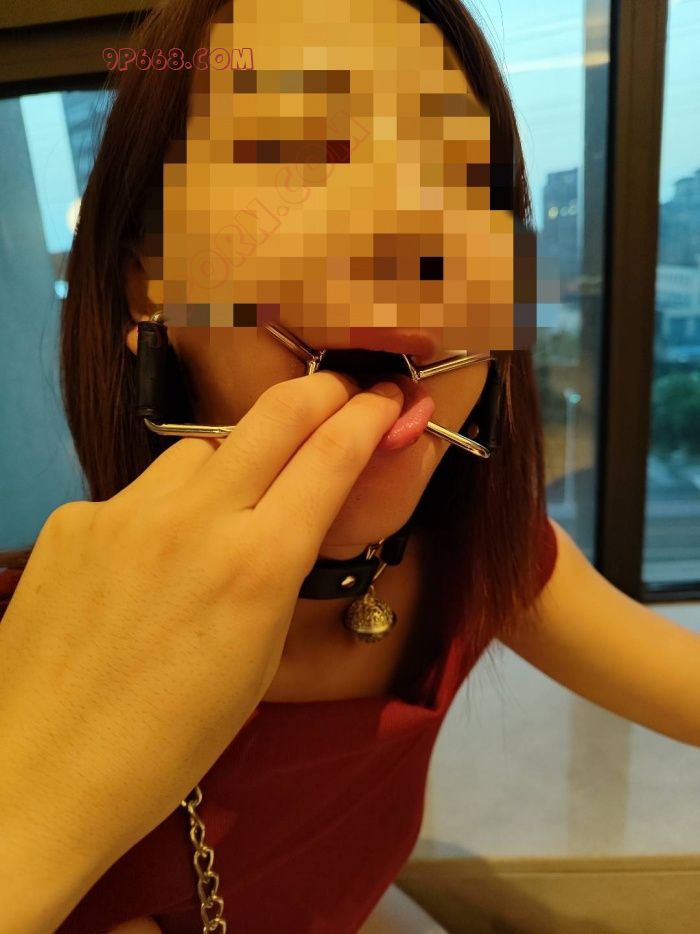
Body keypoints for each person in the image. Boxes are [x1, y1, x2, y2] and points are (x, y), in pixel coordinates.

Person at [2, 1, 698, 932]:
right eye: (299, 151)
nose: (411, 226)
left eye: (463, 178)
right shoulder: (28, 649)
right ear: (148, 279)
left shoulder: (481, 558)